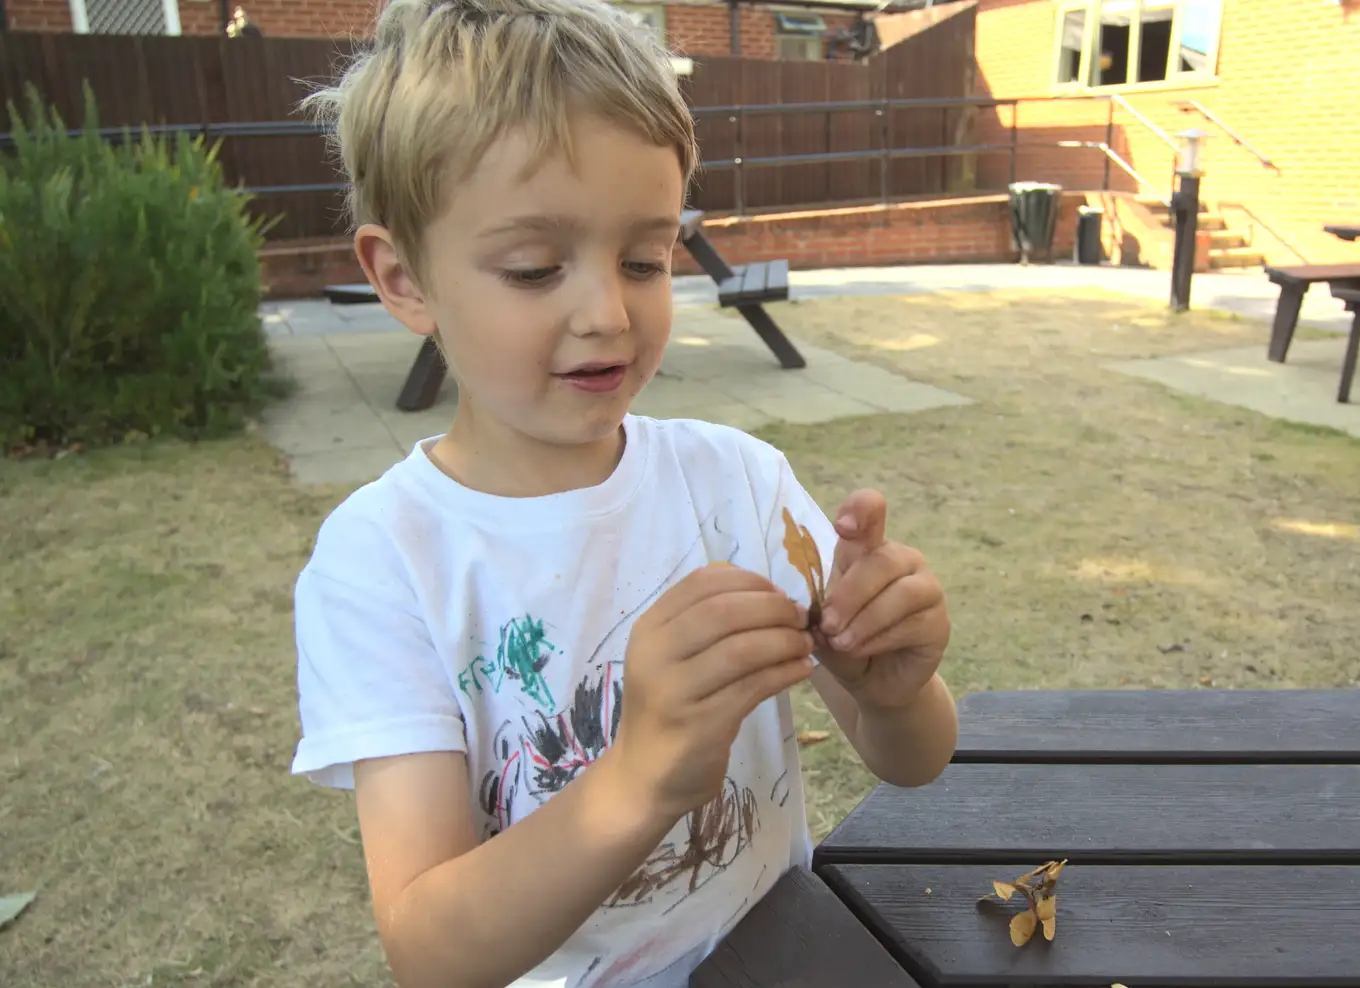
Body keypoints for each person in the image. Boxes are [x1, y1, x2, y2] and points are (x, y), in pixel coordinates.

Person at [286, 2, 959, 987]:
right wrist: (637, 779)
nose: (606, 311)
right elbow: (428, 951)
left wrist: (893, 695)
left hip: (778, 958)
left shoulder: (736, 484)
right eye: (533, 267)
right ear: (404, 277)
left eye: (644, 258)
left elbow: (912, 759)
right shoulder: (383, 561)